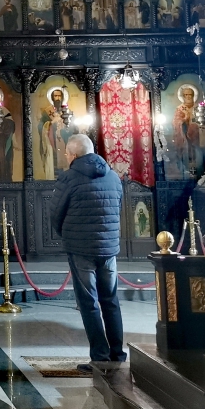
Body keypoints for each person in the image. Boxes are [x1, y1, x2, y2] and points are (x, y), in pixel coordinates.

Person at [49, 134, 125, 370]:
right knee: (110, 299)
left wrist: (67, 234)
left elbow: (55, 213)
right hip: (108, 248)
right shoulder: (112, 176)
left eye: (66, 153)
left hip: (81, 248)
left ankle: (100, 356)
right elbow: (117, 207)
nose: (66, 157)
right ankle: (117, 353)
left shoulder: (69, 178)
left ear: (73, 154)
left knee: (89, 302)